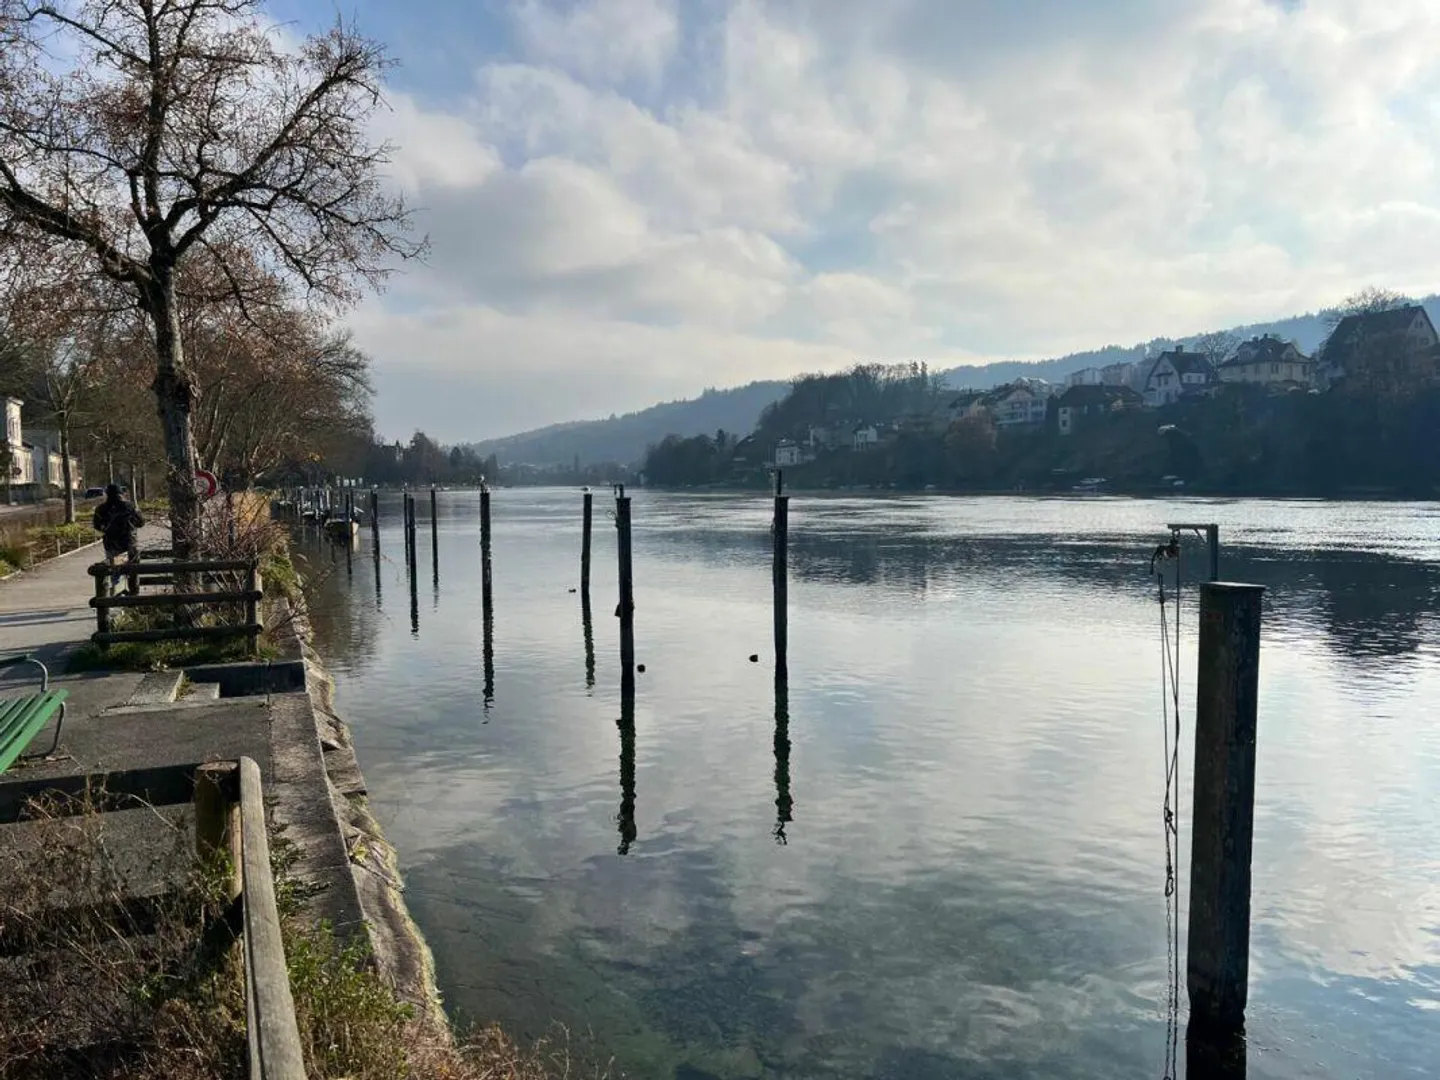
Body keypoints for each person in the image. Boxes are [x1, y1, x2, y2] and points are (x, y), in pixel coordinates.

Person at [92, 483, 145, 592]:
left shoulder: (101, 509)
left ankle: (116, 593)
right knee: (133, 570)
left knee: (116, 569)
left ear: (107, 494)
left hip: (112, 544)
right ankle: (134, 594)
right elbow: (141, 522)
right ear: (121, 493)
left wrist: (108, 529)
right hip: (130, 543)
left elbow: (97, 526)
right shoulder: (130, 507)